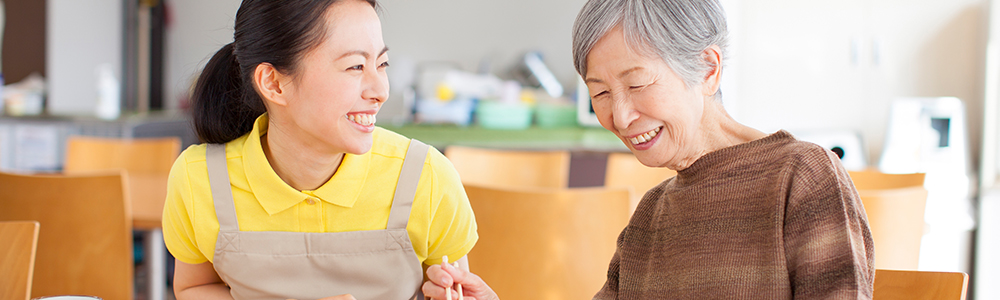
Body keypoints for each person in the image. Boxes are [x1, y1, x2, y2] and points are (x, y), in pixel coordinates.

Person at [422, 0, 874, 299]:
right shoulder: (652, 213)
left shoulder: (801, 177)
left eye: (637, 84)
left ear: (708, 70)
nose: (619, 117)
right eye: (599, 94)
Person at [162, 0, 478, 299]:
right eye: (355, 67)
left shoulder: (426, 177)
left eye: (381, 63)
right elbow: (192, 288)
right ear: (273, 83)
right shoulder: (199, 179)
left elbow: (452, 290)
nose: (381, 90)